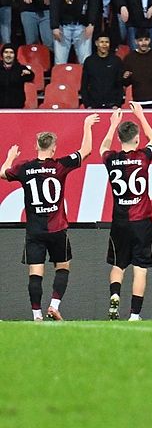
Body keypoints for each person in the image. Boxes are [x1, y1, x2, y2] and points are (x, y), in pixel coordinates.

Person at [1, 114, 99, 320]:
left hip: (35, 230)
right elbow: (86, 151)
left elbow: (3, 173)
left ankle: (36, 315)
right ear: (53, 148)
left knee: (35, 272)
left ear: (36, 146)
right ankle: (54, 305)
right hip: (57, 229)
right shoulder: (59, 165)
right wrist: (87, 126)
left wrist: (10, 156)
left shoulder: (25, 168)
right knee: (62, 266)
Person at [99, 103, 152, 321]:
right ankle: (134, 315)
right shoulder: (143, 157)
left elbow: (102, 148)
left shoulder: (111, 159)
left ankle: (115, 295)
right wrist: (141, 115)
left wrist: (112, 124)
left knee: (118, 264)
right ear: (136, 138)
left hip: (120, 221)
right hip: (142, 221)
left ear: (119, 138)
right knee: (140, 269)